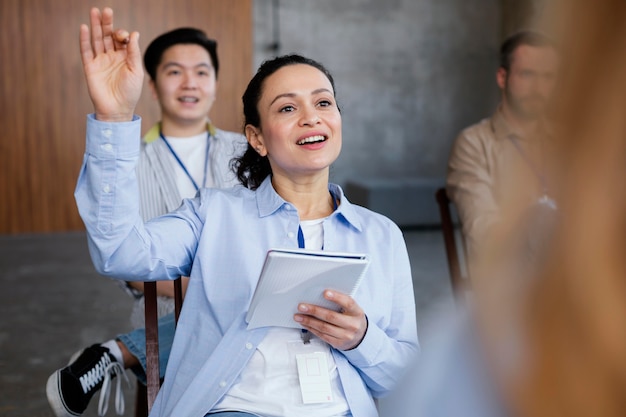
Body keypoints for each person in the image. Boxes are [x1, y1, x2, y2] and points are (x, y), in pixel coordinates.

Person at [71, 7, 419, 417]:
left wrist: (362, 338)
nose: (311, 117)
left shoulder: (382, 235)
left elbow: (401, 375)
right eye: (287, 108)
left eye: (323, 102)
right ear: (256, 138)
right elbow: (120, 253)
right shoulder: (214, 215)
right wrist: (114, 118)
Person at [46, 23, 247, 417]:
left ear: (216, 83)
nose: (190, 82)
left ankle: (119, 353)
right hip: (165, 311)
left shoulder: (248, 150)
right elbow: (123, 258)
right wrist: (205, 286)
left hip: (239, 302)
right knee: (241, 313)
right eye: (175, 71)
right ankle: (128, 351)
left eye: (202, 71)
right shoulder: (121, 157)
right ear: (152, 85)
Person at [445, 30, 560, 281]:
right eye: (527, 74)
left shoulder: (568, 142)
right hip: (508, 285)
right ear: (502, 76)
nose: (538, 88)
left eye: (548, 77)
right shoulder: (474, 143)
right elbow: (485, 235)